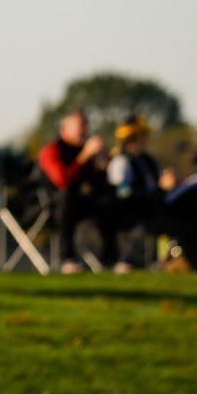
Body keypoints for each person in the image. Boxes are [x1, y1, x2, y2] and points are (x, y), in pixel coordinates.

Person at [37, 109, 116, 272]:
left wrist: (104, 163)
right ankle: (68, 258)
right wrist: (84, 155)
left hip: (79, 204)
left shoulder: (86, 150)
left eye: (87, 125)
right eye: (81, 125)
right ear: (65, 128)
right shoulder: (52, 150)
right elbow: (62, 181)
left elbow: (98, 183)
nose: (86, 129)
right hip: (49, 206)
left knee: (107, 197)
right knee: (67, 195)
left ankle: (110, 258)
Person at [107, 116, 173, 270]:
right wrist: (160, 191)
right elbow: (123, 195)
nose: (145, 140)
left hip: (154, 207)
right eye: (142, 136)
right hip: (133, 213)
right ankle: (128, 260)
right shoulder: (121, 162)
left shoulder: (149, 161)